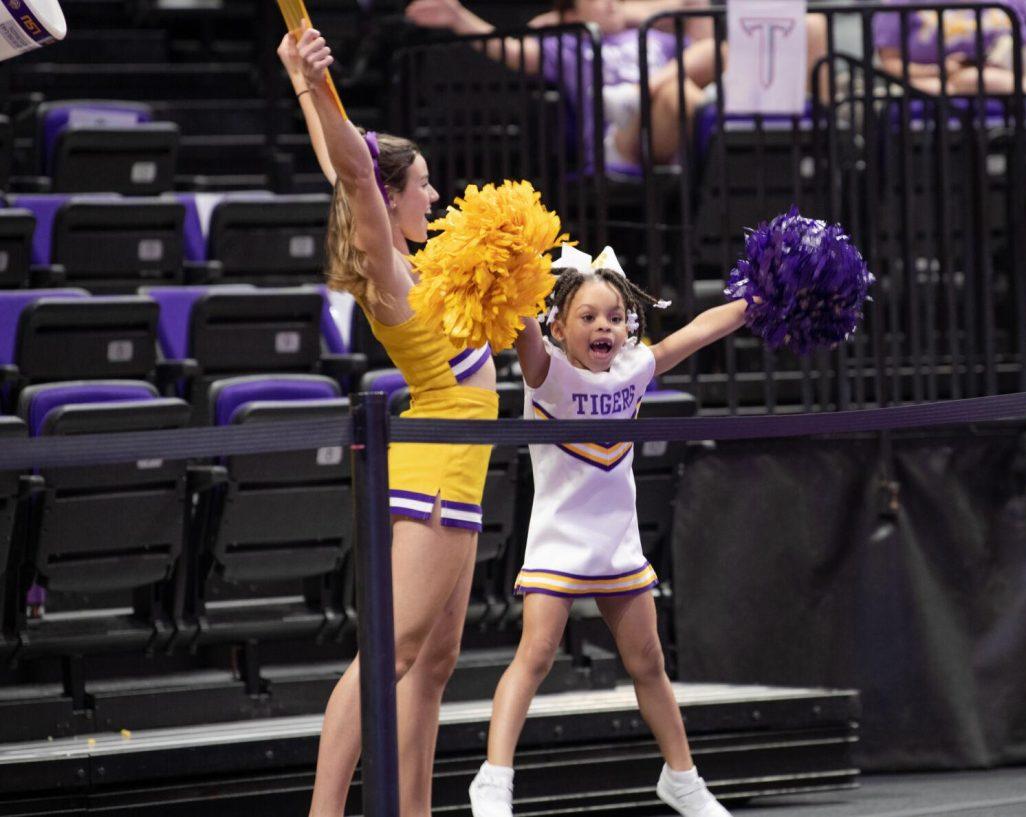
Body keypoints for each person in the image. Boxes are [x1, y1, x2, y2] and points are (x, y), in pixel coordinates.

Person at [287, 25, 499, 817]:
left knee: (435, 661)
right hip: (437, 469)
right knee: (390, 653)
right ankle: (325, 811)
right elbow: (350, 167)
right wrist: (312, 83)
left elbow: (341, 159)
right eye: (424, 184)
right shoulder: (389, 266)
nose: (435, 196)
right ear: (391, 193)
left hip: (463, 470)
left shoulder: (416, 263)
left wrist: (304, 83)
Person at [467, 245, 748, 817]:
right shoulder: (546, 372)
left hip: (617, 540)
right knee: (537, 655)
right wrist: (504, 262)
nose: (605, 327)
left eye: (616, 318)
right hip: (560, 539)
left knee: (648, 662)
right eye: (589, 317)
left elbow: (693, 333)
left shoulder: (634, 368)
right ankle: (493, 779)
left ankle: (683, 779)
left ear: (631, 326)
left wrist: (754, 304)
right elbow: (521, 322)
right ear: (559, 325)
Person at [406, 0, 830, 167]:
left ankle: (643, 95)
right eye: (602, 0)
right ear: (572, 13)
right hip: (622, 139)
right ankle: (737, 151)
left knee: (696, 70)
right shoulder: (571, 41)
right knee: (680, 90)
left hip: (666, 114)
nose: (615, 4)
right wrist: (459, 18)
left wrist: (628, 19)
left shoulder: (650, 36)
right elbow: (519, 48)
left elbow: (704, 28)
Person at [874, 0, 1026, 96]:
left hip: (1013, 81)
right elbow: (890, 61)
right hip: (936, 86)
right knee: (969, 79)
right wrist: (938, 71)